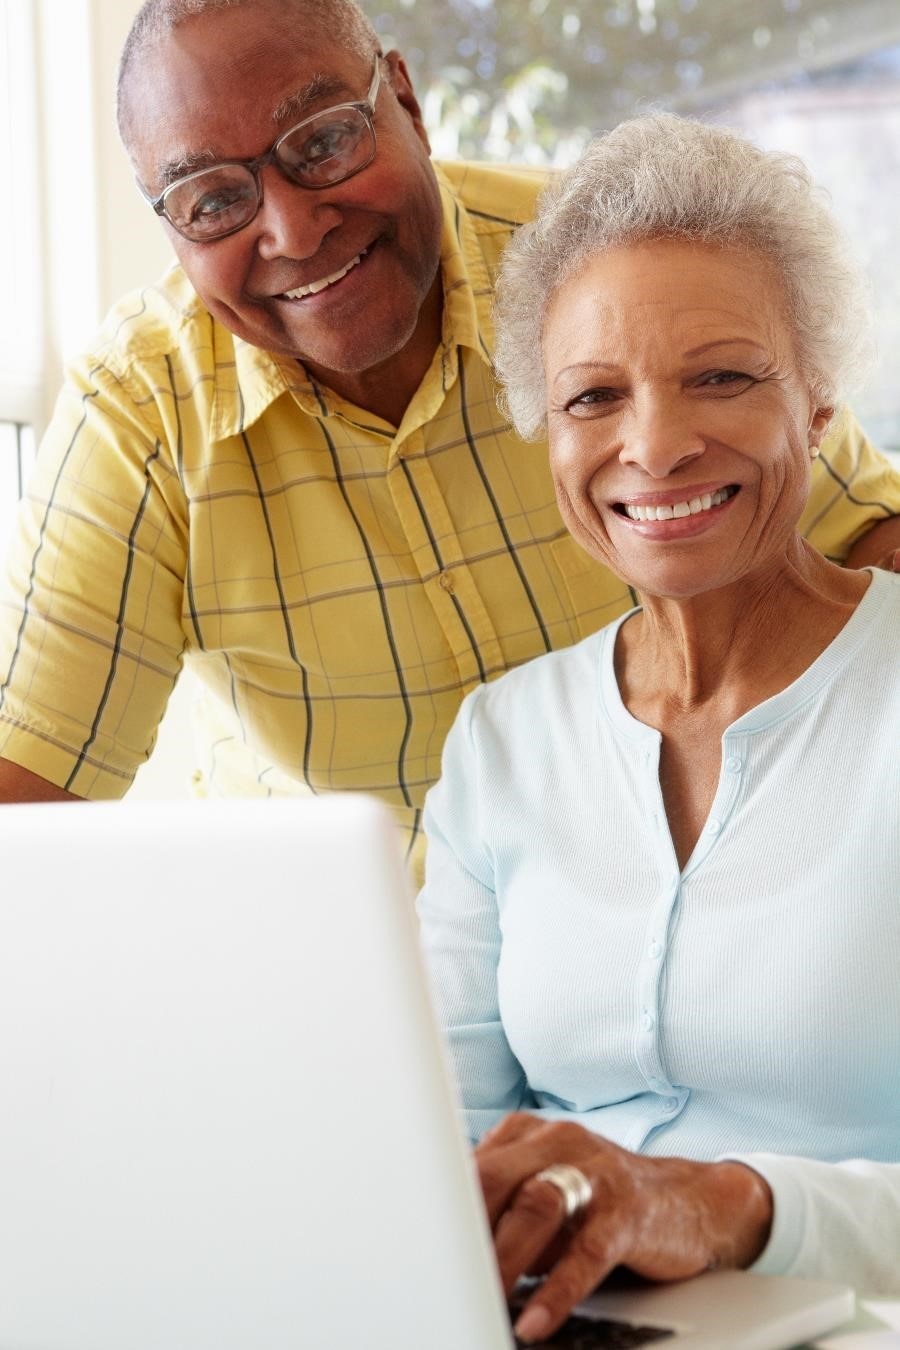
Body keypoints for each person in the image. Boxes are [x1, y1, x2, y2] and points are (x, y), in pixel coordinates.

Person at [0, 0, 898, 886]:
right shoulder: (140, 415)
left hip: (700, 909)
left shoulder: (589, 270)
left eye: (321, 142)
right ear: (170, 229)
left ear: (405, 99)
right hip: (354, 975)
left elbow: (867, 540)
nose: (293, 230)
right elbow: (22, 804)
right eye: (212, 201)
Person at [418, 112, 900, 1342]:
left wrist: (732, 1205)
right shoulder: (500, 745)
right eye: (594, 396)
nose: (655, 445)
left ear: (819, 398)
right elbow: (437, 1143)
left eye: (724, 376)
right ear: (549, 431)